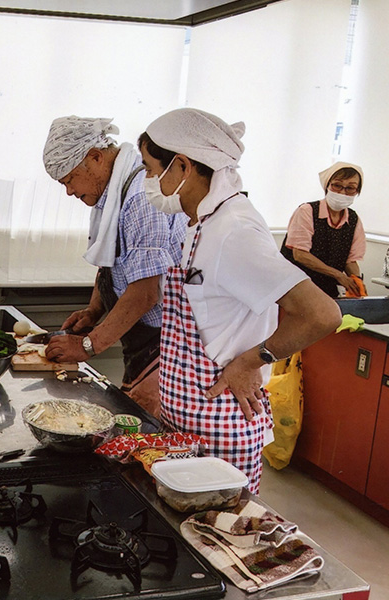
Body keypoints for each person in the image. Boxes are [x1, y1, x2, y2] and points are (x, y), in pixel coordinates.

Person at [138, 108, 341, 493]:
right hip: (187, 420)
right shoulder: (202, 222)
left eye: (151, 169)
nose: (148, 181)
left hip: (220, 428)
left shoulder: (234, 230)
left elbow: (322, 314)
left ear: (181, 166)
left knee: (215, 540)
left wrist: (253, 359)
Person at [41, 116, 186, 417]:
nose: (69, 191)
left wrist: (88, 346)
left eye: (69, 180)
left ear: (95, 157)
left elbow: (146, 292)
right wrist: (94, 310)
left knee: (145, 430)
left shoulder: (141, 197)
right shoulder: (111, 194)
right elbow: (110, 259)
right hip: (142, 336)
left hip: (165, 344)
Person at [280, 162, 367, 298]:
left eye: (350, 188)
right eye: (337, 185)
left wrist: (356, 280)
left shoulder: (353, 219)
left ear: (357, 192)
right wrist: (338, 275)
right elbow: (300, 254)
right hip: (295, 285)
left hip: (327, 288)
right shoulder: (307, 211)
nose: (343, 192)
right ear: (327, 185)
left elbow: (350, 260)